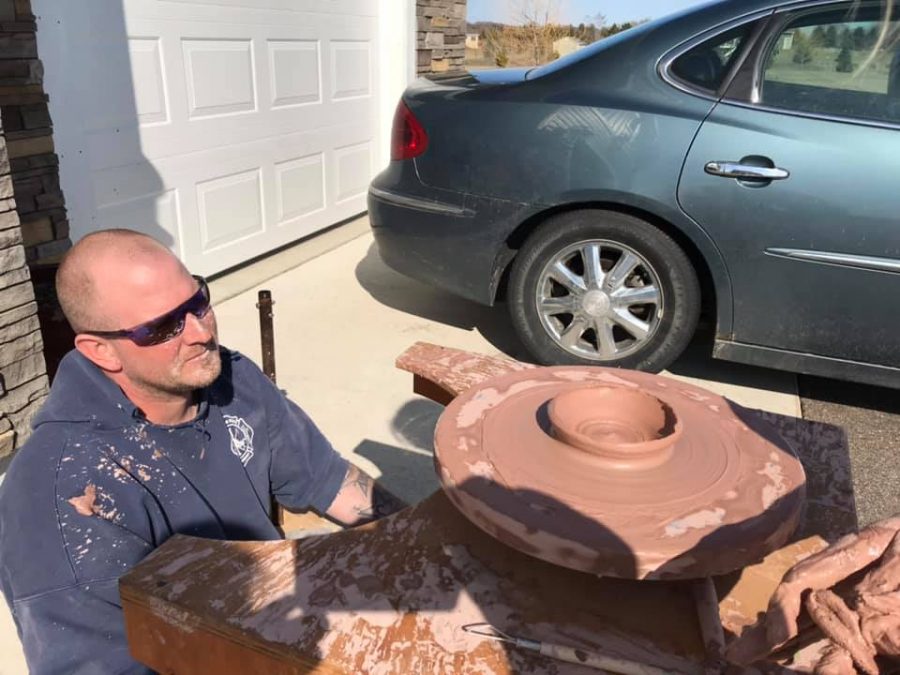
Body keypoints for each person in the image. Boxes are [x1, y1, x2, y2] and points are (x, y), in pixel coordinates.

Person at [0, 229, 405, 674]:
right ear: (101, 350)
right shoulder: (65, 497)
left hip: (278, 620)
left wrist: (421, 543)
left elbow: (329, 480)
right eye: (161, 326)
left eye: (198, 302)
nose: (200, 332)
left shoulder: (228, 380)